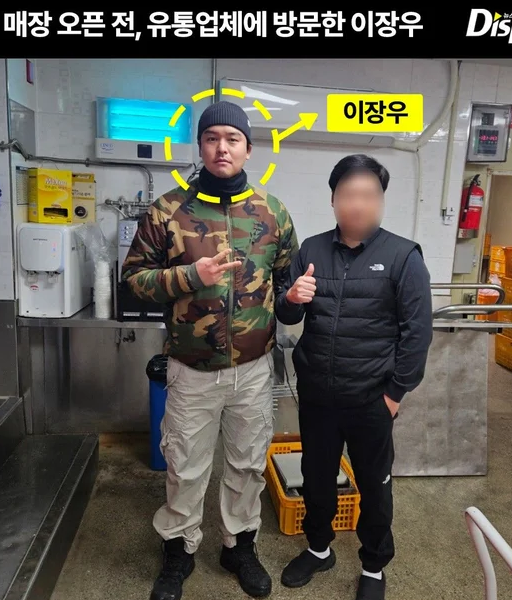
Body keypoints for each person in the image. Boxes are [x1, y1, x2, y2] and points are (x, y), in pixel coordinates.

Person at [122, 100, 299, 600]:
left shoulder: (272, 211)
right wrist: (188, 276)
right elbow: (133, 281)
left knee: (247, 463)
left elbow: (286, 280)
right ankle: (178, 551)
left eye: (233, 138)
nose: (223, 147)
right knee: (185, 464)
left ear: (248, 148)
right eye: (212, 137)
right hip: (192, 369)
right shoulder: (168, 210)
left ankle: (238, 547)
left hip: (254, 369)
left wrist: (296, 300)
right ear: (199, 146)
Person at [275, 154, 433, 600]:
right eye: (348, 194)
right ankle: (319, 548)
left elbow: (417, 333)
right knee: (316, 477)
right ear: (333, 200)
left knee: (374, 487)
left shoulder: (403, 256)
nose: (358, 204)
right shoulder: (311, 250)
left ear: (380, 201)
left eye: (368, 195)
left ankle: (374, 566)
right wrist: (291, 297)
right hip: (318, 396)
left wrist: (394, 394)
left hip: (371, 400)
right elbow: (287, 314)